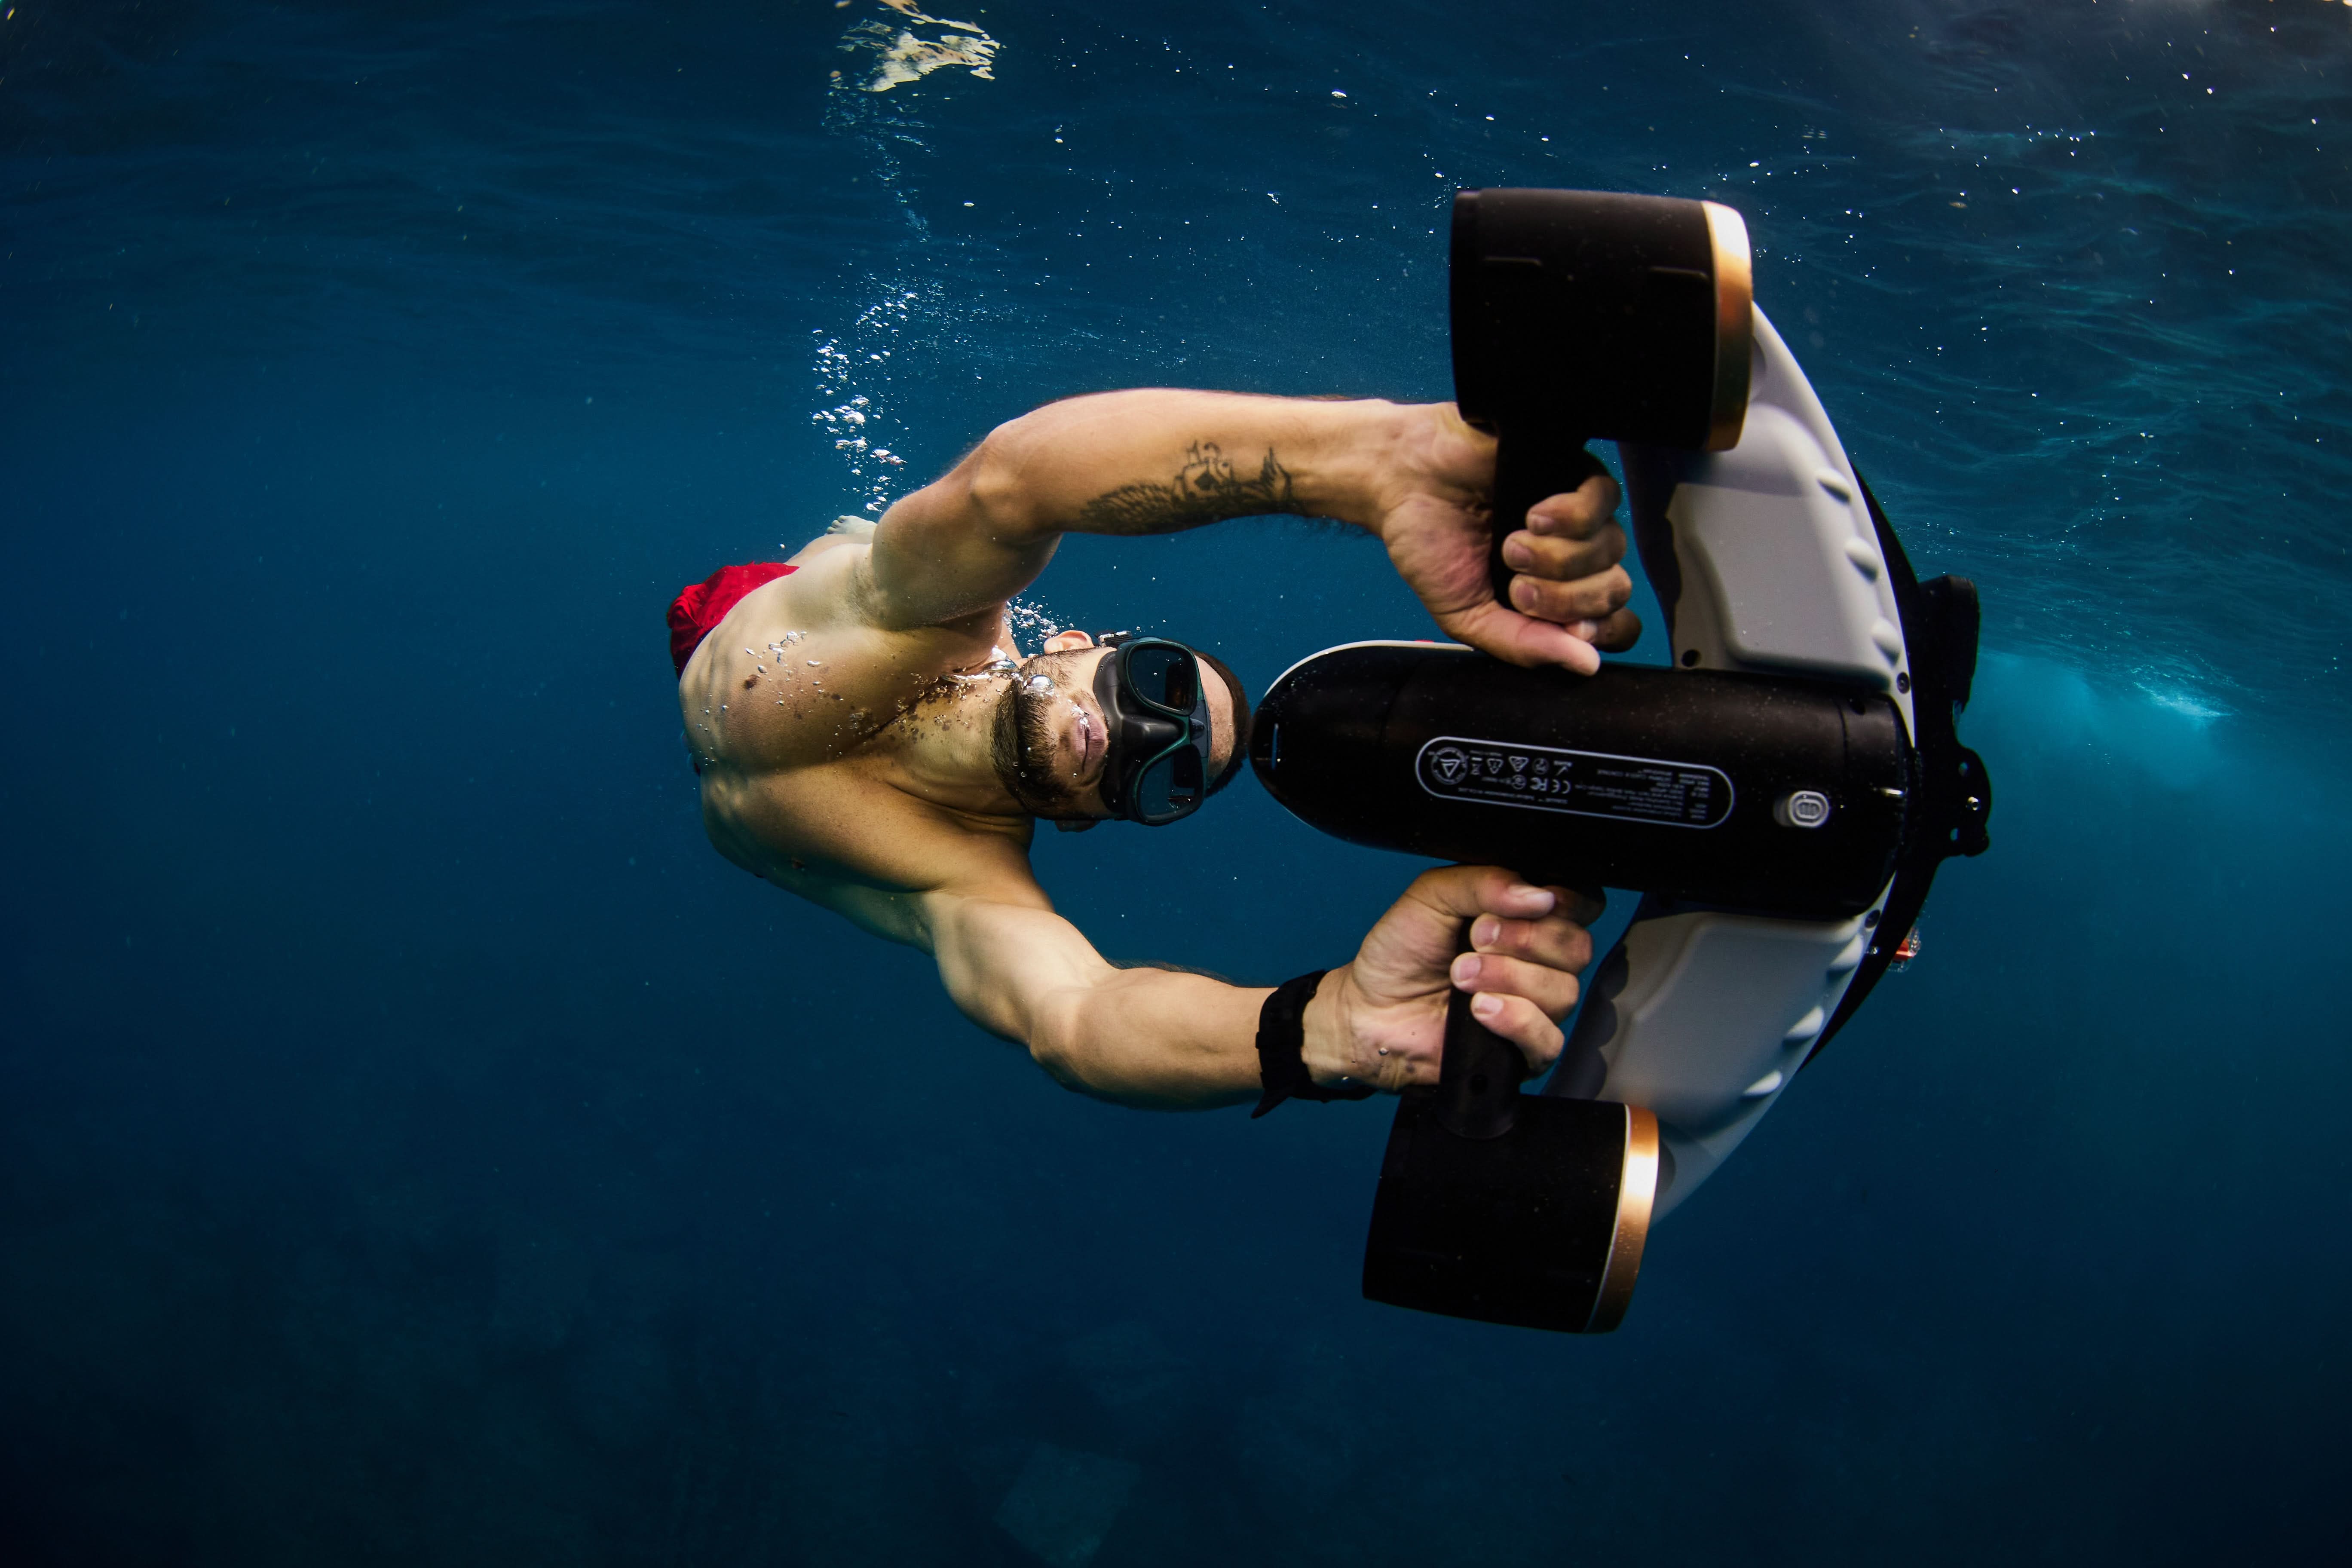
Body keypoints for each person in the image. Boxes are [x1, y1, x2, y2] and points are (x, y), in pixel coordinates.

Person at [669, 390, 1641, 1111]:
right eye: (1158, 684)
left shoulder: (966, 881)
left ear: (1090, 822)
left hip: (738, 787)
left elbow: (1078, 1019)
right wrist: (1377, 460)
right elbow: (1017, 484)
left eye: (1169, 774)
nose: (1143, 733)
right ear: (1072, 643)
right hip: (739, 625)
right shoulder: (926, 620)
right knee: (891, 551)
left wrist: (1332, 1027)